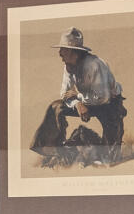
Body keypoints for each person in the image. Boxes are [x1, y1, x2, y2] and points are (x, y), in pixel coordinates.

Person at [32, 26, 126, 164]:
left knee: (109, 160)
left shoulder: (94, 65)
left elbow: (102, 98)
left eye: (63, 49)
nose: (59, 53)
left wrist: (79, 96)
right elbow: (64, 93)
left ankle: (99, 145)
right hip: (87, 101)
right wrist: (78, 104)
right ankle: (53, 149)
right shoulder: (68, 65)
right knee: (56, 107)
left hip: (109, 105)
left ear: (73, 52)